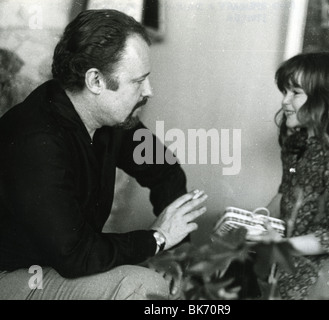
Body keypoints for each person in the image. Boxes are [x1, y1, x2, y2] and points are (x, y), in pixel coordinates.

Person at [0, 9, 207, 300]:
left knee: (162, 284)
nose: (149, 90)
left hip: (58, 264)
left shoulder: (110, 119)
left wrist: (174, 253)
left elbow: (165, 169)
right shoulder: (36, 140)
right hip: (13, 275)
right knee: (143, 287)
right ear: (96, 81)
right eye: (138, 81)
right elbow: (75, 256)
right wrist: (157, 239)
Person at [252, 52, 329, 300]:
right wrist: (255, 223)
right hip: (292, 273)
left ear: (325, 98)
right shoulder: (296, 144)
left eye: (295, 93)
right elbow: (287, 192)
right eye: (284, 92)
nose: (285, 101)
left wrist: (280, 247)